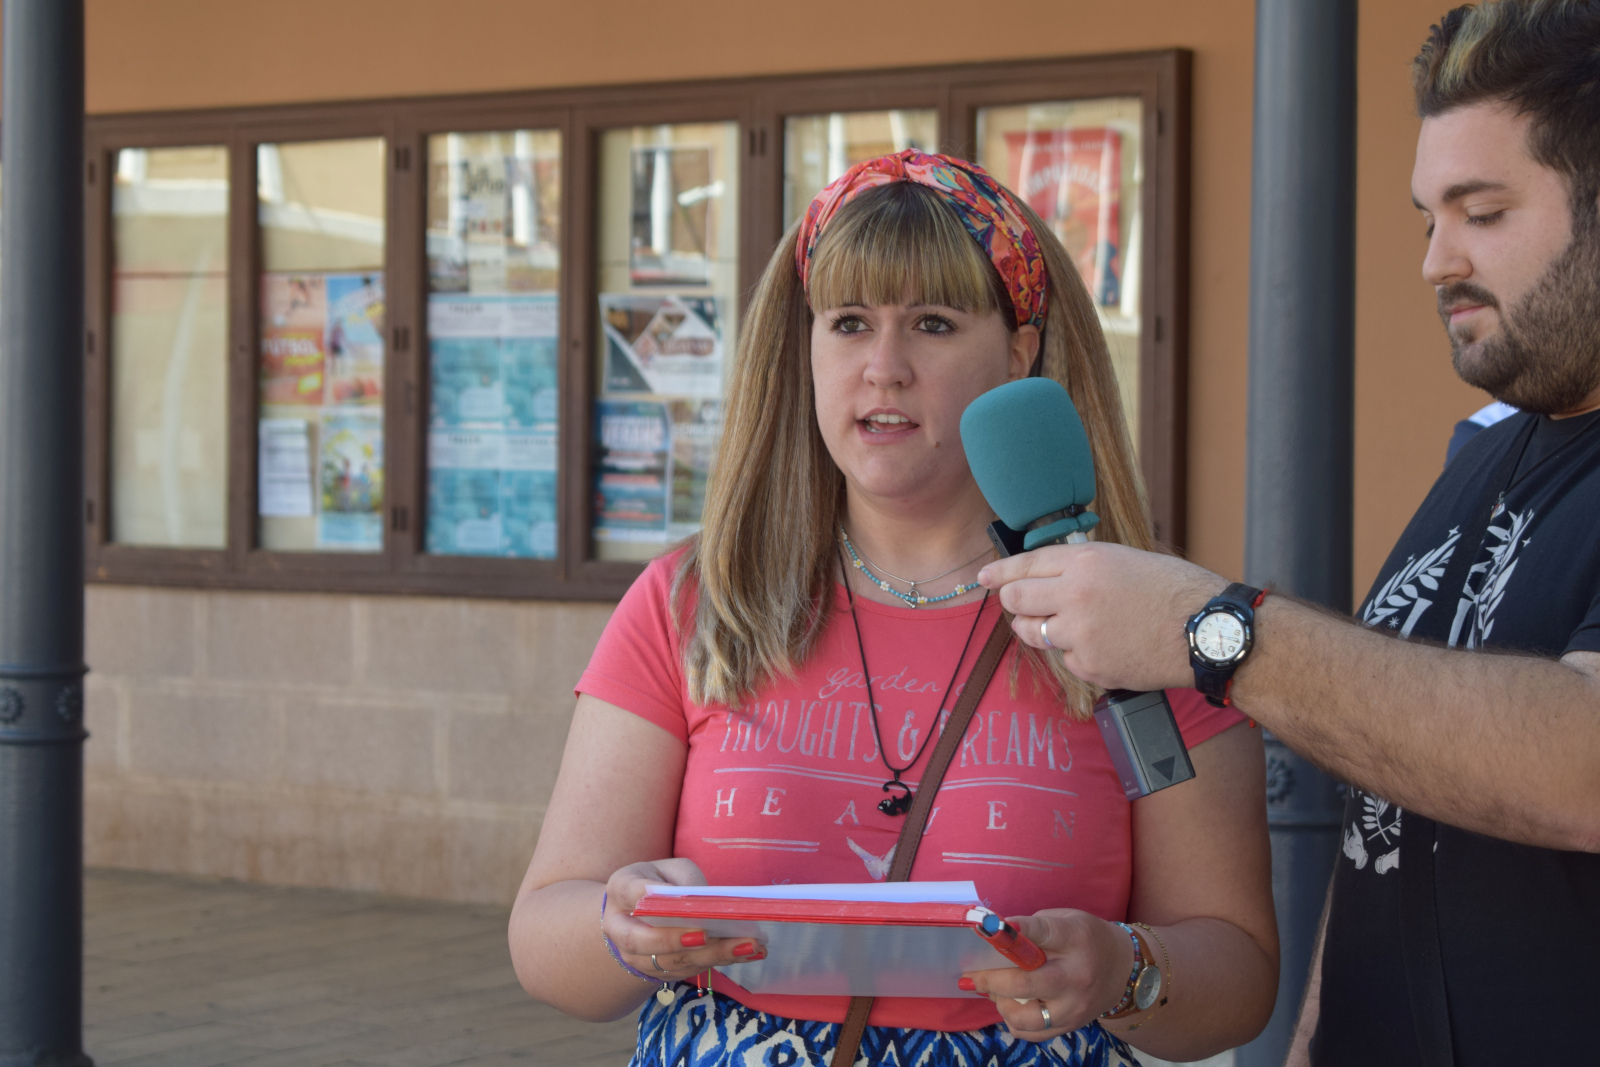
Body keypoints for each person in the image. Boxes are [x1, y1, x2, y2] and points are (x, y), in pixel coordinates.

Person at [509, 151, 1278, 1066]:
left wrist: (1125, 968)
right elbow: (544, 940)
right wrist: (620, 925)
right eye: (848, 323)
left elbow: (1237, 977)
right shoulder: (691, 604)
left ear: (1019, 354)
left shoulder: (1149, 617)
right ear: (805, 349)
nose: (884, 367)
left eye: (933, 323)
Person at [975, 4, 1600, 1064]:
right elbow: (1389, 824)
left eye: (1482, 212)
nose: (1435, 261)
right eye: (1425, 218)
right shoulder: (1482, 460)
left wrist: (1212, 628)